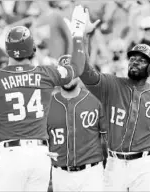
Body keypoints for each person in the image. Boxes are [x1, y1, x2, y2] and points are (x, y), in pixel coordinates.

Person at [71, 5, 150, 192]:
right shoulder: (111, 84)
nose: (135, 61)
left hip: (145, 165)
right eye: (133, 57)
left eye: (142, 59)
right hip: (115, 164)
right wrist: (85, 36)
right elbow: (84, 71)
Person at [0, 11, 86, 191]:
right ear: (32, 48)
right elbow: (77, 67)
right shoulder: (46, 73)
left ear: (7, 49)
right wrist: (78, 35)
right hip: (40, 154)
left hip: (11, 154)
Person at [47, 54, 107, 192]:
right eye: (64, 73)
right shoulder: (47, 104)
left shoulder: (95, 100)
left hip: (91, 172)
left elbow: (109, 137)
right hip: (60, 173)